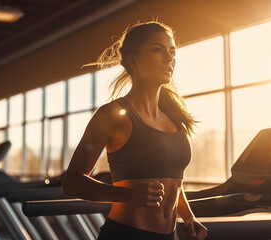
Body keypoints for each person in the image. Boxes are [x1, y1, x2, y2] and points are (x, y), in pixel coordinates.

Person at [62, 20, 207, 240]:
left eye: (172, 52)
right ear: (133, 60)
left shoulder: (175, 118)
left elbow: (173, 181)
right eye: (158, 50)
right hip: (125, 234)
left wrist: (189, 218)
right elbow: (72, 182)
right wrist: (126, 195)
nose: (169, 59)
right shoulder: (112, 115)